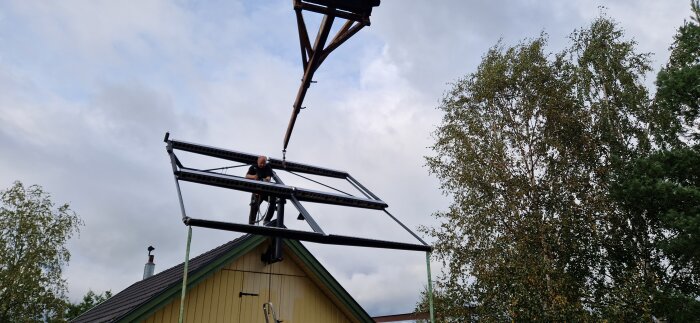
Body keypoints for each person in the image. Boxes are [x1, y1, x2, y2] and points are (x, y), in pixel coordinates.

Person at [246, 156, 276, 225]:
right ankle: (251, 224)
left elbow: (268, 178)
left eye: (264, 163)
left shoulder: (267, 167)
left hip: (265, 191)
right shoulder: (253, 167)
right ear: (258, 161)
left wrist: (263, 179)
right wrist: (254, 177)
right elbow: (247, 176)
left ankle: (267, 220)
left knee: (273, 200)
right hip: (256, 191)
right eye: (261, 163)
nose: (262, 165)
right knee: (254, 207)